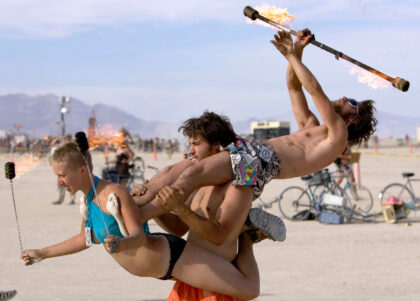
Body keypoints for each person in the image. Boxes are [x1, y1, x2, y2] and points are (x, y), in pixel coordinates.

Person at [132, 29, 377, 213]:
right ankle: (137, 201)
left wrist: (293, 56)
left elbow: (314, 90)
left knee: (192, 175)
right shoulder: (313, 127)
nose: (344, 97)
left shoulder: (338, 136)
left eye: (351, 101)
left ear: (353, 119)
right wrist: (297, 52)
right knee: (179, 168)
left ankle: (138, 214)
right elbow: (294, 89)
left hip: (260, 161)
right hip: (250, 151)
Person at [21, 142, 261, 301]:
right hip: (163, 268)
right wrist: (42, 253)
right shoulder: (89, 202)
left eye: (62, 175)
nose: (59, 182)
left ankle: (246, 235)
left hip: (174, 259)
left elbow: (137, 236)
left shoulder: (115, 193)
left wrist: (121, 244)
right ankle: (241, 220)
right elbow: (83, 240)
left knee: (249, 290)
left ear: (82, 170)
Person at [147, 112, 285, 301]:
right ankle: (247, 230)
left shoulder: (239, 184)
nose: (190, 151)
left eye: (196, 144)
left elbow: (219, 235)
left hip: (219, 286)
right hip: (190, 279)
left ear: (217, 147)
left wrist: (179, 207)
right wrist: (156, 206)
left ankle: (247, 235)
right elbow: (178, 228)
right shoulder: (197, 182)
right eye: (190, 144)